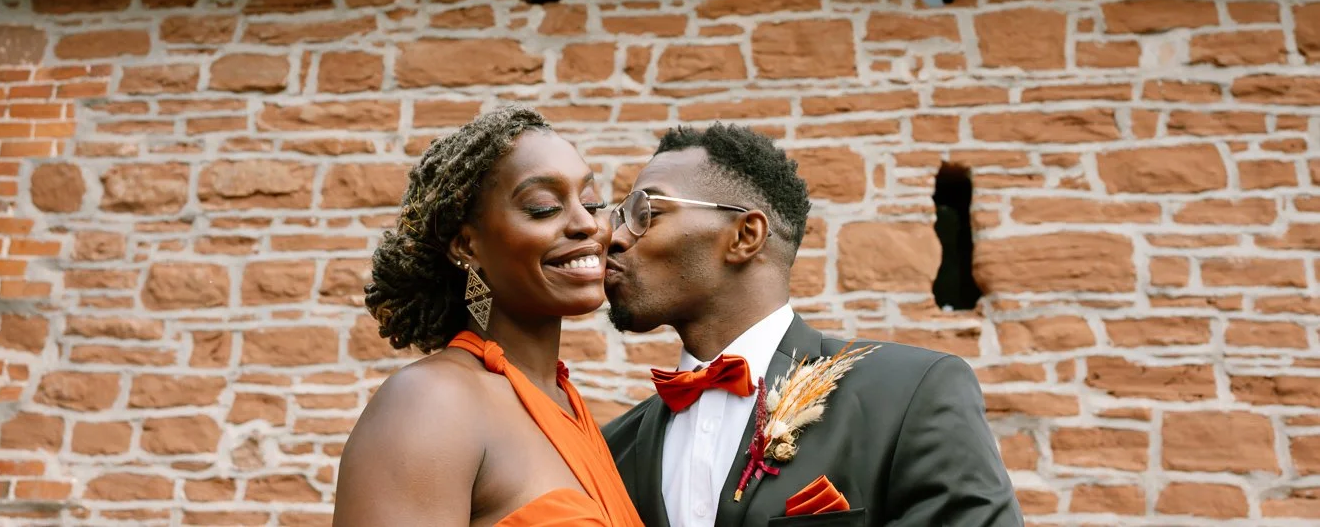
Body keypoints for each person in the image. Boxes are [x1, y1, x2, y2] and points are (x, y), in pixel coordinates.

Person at [602, 123, 1022, 527]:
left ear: (745, 236)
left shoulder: (909, 396)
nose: (614, 237)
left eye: (646, 211)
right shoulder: (611, 448)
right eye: (618, 217)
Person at [333, 107, 645, 527]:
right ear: (466, 245)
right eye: (543, 207)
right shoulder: (433, 401)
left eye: (592, 202)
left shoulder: (570, 408)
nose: (587, 224)